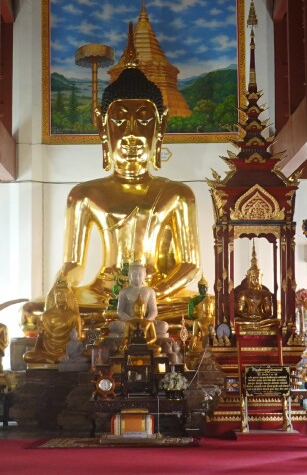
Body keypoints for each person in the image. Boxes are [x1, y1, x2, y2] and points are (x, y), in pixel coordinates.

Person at [51, 63, 201, 311]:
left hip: (159, 295)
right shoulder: (83, 195)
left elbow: (190, 265)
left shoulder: (178, 194)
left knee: (204, 307)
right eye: (120, 120)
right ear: (102, 124)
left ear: (161, 126)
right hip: (103, 294)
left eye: (144, 120)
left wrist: (151, 294)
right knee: (36, 312)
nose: (132, 133)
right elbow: (73, 264)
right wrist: (60, 286)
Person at [24, 280, 82, 365]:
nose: (60, 298)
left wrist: (71, 352)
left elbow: (77, 338)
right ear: (53, 297)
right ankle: (53, 359)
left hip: (67, 353)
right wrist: (40, 335)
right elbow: (39, 342)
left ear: (68, 297)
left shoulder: (73, 316)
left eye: (63, 295)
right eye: (58, 295)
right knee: (27, 356)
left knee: (88, 356)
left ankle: (55, 359)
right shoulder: (46, 316)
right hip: (47, 352)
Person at [234, 248, 275, 323]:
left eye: (257, 277)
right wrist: (248, 316)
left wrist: (262, 316)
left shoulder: (266, 294)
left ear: (260, 278)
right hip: (247, 320)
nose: (255, 280)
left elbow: (269, 312)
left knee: (274, 322)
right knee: (237, 321)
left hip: (261, 321)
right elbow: (239, 311)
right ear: (248, 279)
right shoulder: (243, 294)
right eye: (253, 277)